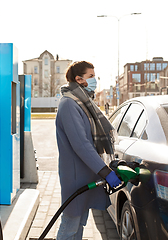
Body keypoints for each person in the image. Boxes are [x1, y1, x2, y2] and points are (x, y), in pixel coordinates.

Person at [55, 61, 121, 240]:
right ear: (79, 79)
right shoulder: (69, 104)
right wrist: (106, 172)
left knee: (79, 225)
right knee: (70, 226)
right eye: (91, 76)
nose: (94, 80)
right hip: (76, 177)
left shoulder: (82, 103)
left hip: (86, 175)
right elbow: (81, 145)